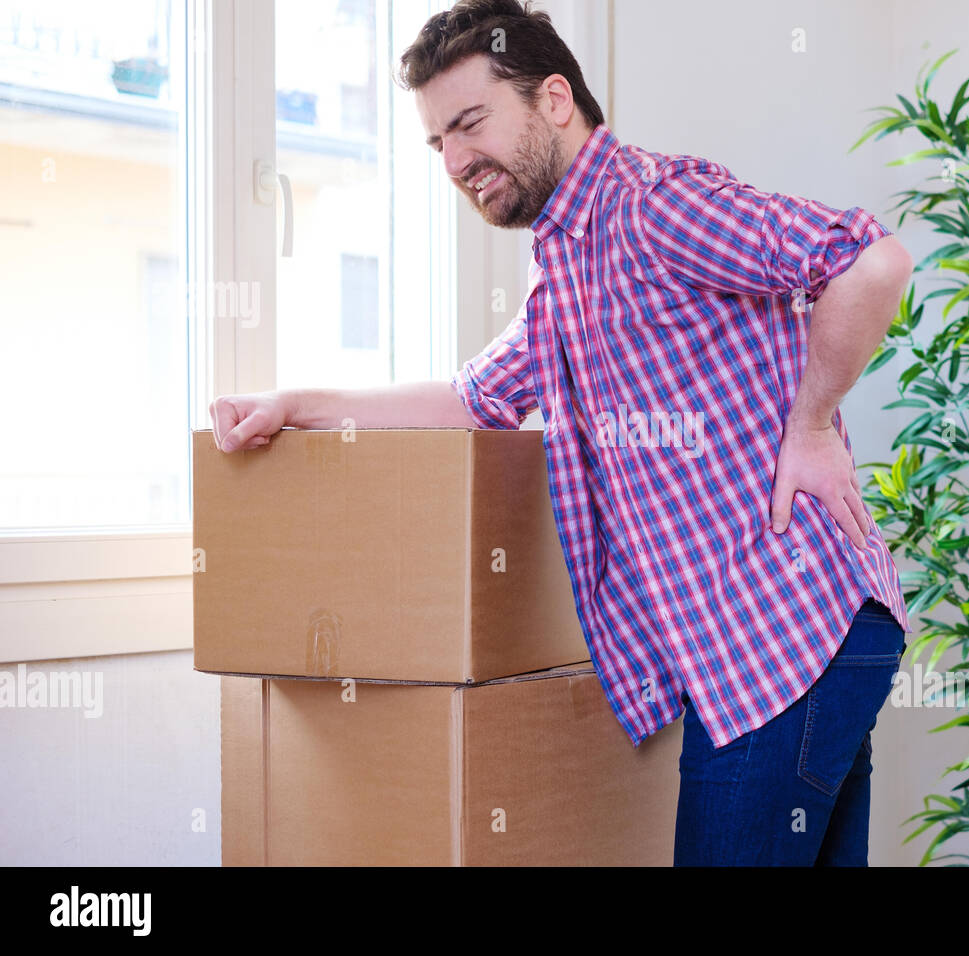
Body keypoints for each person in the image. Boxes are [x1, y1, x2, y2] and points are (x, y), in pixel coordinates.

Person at [210, 0, 914, 866]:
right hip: (795, 647)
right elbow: (473, 401)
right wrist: (298, 404)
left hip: (785, 637)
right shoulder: (566, 272)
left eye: (470, 123)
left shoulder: (653, 206)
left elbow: (871, 260)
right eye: (439, 145)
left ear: (552, 99)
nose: (459, 161)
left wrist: (811, 426)